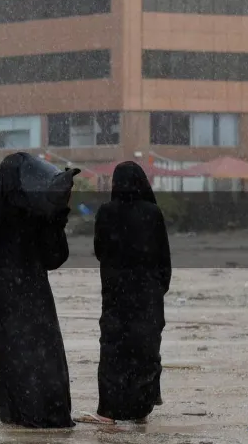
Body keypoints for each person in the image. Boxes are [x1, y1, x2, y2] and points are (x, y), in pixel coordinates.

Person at [0, 152, 78, 429]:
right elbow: (55, 257)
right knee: (40, 349)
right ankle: (44, 410)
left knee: (10, 350)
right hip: (31, 288)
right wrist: (58, 216)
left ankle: (15, 410)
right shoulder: (35, 213)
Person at [80, 161, 172, 425]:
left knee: (113, 350)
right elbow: (163, 256)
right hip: (148, 296)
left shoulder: (106, 212)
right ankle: (141, 409)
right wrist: (157, 289)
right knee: (145, 350)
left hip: (116, 294)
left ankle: (107, 412)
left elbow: (100, 251)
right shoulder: (152, 213)